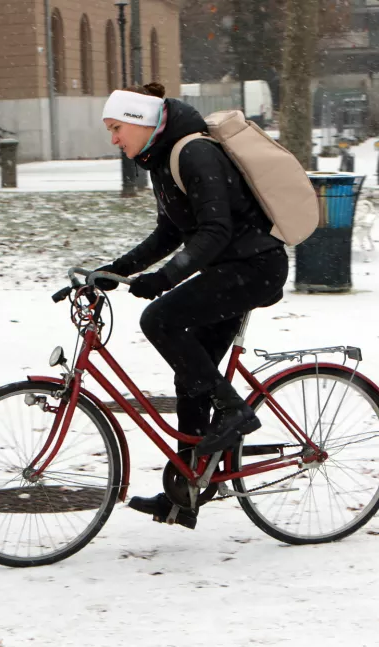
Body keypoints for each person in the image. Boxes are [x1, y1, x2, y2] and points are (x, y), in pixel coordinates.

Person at [95, 83, 288, 529]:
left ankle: (235, 411)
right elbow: (170, 232)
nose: (114, 139)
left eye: (116, 128)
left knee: (160, 318)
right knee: (192, 376)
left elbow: (216, 230)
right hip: (229, 270)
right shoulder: (162, 161)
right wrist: (116, 270)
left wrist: (164, 280)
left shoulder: (193, 153)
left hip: (253, 268)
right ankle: (185, 493)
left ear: (142, 123)